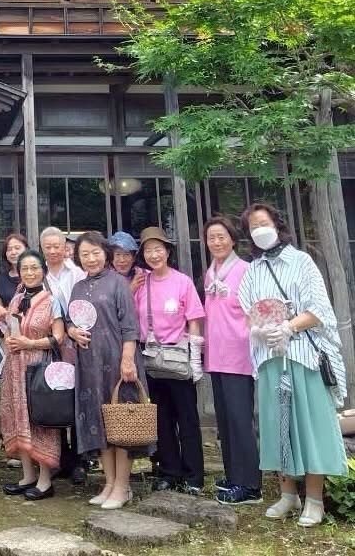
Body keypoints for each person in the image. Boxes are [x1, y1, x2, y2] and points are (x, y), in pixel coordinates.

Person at [237, 203, 347, 527]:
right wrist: (262, 330)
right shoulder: (253, 271)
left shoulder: (301, 262)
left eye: (263, 222)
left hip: (303, 357)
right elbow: (248, 313)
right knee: (276, 427)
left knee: (310, 427)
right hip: (270, 357)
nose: (259, 230)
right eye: (253, 227)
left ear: (277, 224)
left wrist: (289, 327)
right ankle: (288, 494)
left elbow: (318, 310)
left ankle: (314, 499)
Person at [68, 232, 150, 509]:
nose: (91, 259)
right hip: (89, 365)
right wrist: (72, 331)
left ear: (106, 254)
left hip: (117, 361)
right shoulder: (78, 287)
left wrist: (127, 360)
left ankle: (123, 487)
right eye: (85, 254)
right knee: (99, 422)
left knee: (121, 423)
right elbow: (71, 320)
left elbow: (130, 327)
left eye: (95, 253)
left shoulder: (118, 283)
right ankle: (109, 483)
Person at [134, 226, 205, 494]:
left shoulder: (182, 282)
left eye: (158, 249)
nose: (154, 255)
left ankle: (194, 476)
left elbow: (194, 319)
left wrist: (196, 358)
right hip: (151, 359)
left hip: (178, 357)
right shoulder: (142, 283)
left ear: (167, 251)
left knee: (187, 419)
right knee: (161, 419)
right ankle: (169, 472)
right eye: (148, 251)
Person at [203, 216, 261, 505]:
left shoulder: (246, 270)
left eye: (221, 237)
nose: (216, 242)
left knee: (240, 420)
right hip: (216, 355)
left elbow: (257, 311)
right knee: (225, 421)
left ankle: (250, 485)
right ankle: (233, 475)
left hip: (238, 355)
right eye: (211, 238)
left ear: (233, 239)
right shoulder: (210, 272)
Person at [1, 249, 65, 501]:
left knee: (40, 419)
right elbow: (8, 329)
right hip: (14, 366)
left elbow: (58, 338)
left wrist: (30, 343)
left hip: (39, 367)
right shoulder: (16, 300)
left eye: (34, 268)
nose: (29, 273)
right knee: (19, 418)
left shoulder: (52, 300)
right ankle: (27, 475)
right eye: (24, 268)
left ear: (43, 271)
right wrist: (10, 340)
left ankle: (45, 480)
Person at [40, 226, 86, 483]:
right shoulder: (39, 274)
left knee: (76, 397)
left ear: (65, 246)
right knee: (53, 398)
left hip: (76, 342)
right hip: (48, 344)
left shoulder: (77, 273)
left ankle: (79, 460)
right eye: (48, 247)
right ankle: (60, 457)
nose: (53, 251)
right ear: (42, 249)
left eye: (57, 246)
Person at [0, 233, 29, 320]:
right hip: (10, 326)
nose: (13, 252)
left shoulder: (36, 275)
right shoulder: (0, 280)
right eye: (9, 249)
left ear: (26, 250)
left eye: (17, 248)